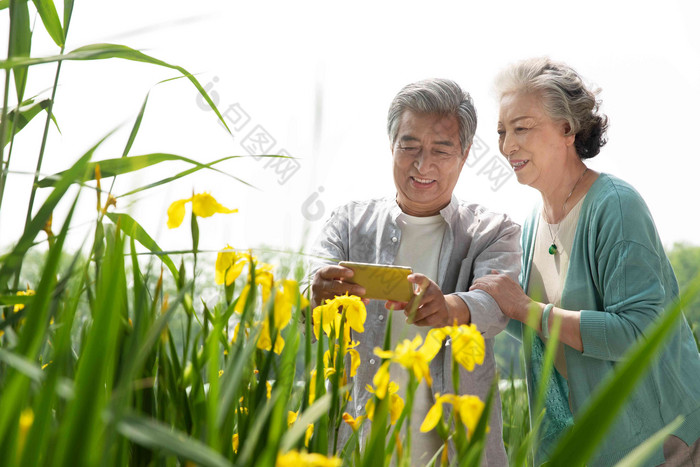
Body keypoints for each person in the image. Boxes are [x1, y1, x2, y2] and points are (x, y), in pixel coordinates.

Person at [470, 57, 700, 466]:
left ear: (567, 128)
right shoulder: (530, 226)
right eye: (502, 132)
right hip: (596, 448)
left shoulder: (615, 204)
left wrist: (525, 307)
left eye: (522, 128)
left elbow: (638, 333)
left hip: (667, 443)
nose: (507, 146)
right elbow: (541, 334)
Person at [309, 78, 521, 466]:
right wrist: (317, 290)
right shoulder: (348, 223)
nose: (423, 165)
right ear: (392, 145)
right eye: (410, 147)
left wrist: (452, 307)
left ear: (466, 153)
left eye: (441, 150)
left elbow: (496, 304)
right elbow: (313, 279)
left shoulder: (492, 231)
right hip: (357, 449)